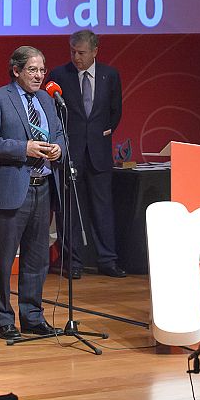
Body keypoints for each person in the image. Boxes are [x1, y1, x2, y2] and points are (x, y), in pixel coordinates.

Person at [0, 46, 64, 341]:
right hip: (13, 190)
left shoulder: (47, 101)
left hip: (43, 187)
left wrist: (59, 148)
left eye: (42, 70)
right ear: (16, 70)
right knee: (4, 260)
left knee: (37, 259)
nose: (39, 76)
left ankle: (32, 316)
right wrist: (22, 148)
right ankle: (3, 318)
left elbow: (60, 133)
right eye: (33, 70)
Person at [46, 30, 125, 279]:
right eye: (72, 51)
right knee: (69, 210)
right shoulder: (60, 75)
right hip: (70, 152)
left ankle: (108, 260)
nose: (76, 57)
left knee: (103, 209)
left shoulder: (110, 75)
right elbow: (53, 113)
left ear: (94, 51)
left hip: (99, 153)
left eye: (81, 53)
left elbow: (115, 111)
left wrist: (102, 132)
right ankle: (74, 262)